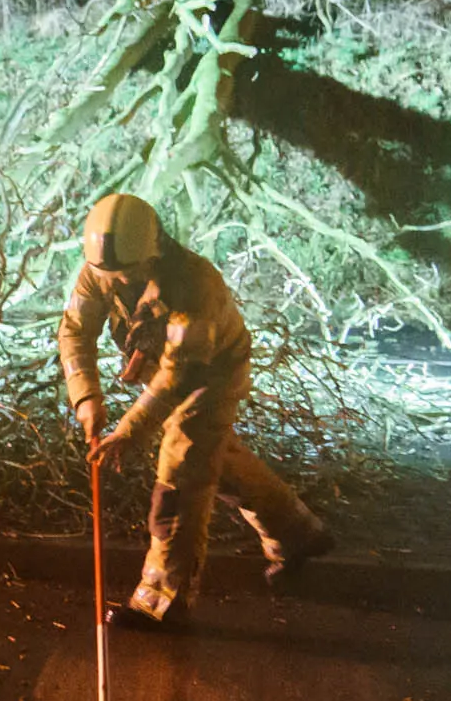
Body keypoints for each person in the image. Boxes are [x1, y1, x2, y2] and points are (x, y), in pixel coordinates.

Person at [58, 192, 334, 626]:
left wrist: (129, 430)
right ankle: (299, 533)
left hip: (211, 375)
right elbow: (75, 331)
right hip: (164, 372)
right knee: (217, 461)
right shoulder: (99, 272)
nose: (114, 282)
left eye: (125, 273)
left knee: (182, 471)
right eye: (105, 273)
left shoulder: (194, 284)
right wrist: (86, 396)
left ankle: (163, 602)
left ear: (151, 254)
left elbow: (179, 374)